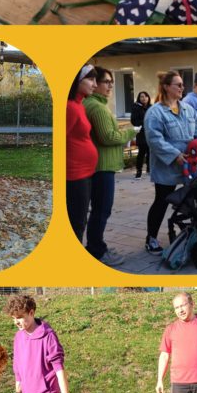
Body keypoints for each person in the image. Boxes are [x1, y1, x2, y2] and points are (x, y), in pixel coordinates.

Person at [143, 72, 197, 254]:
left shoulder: (187, 109)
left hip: (191, 165)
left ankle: (189, 232)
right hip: (167, 166)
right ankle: (151, 238)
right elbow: (154, 139)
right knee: (161, 201)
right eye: (177, 85)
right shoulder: (155, 112)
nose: (181, 88)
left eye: (181, 85)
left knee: (189, 200)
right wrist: (175, 155)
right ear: (166, 87)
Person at [83, 68, 136, 266]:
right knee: (102, 210)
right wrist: (132, 133)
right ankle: (96, 250)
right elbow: (108, 137)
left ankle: (96, 245)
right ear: (94, 83)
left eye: (111, 82)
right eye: (106, 81)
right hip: (102, 166)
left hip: (98, 165)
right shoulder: (96, 107)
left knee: (98, 209)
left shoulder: (93, 104)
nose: (110, 86)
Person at [66, 65, 98, 243]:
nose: (95, 84)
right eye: (91, 79)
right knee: (77, 222)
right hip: (74, 175)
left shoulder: (79, 105)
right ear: (77, 80)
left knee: (80, 220)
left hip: (85, 173)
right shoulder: (70, 107)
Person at [131, 91, 152, 179]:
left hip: (150, 132)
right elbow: (134, 121)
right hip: (141, 133)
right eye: (141, 97)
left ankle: (149, 169)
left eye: (145, 96)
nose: (144, 98)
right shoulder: (136, 107)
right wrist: (144, 122)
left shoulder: (151, 107)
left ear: (148, 97)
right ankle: (139, 171)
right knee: (142, 152)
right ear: (139, 98)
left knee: (150, 152)